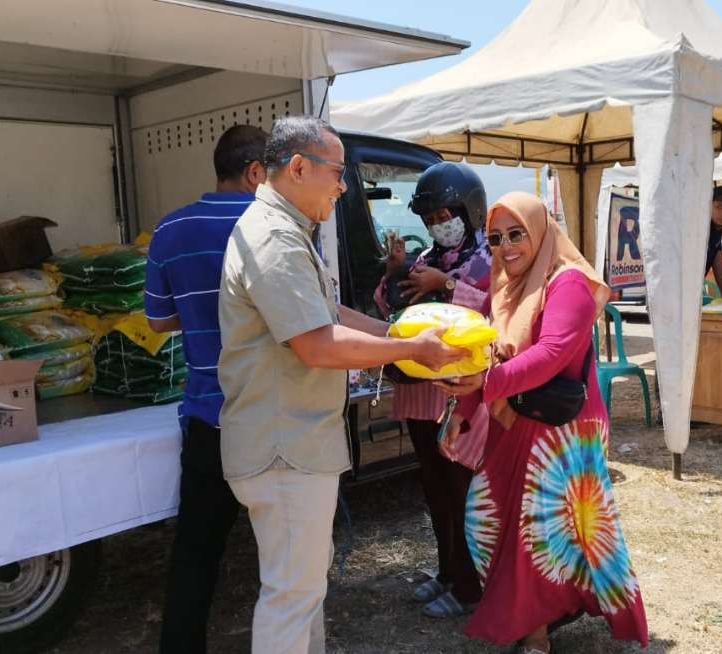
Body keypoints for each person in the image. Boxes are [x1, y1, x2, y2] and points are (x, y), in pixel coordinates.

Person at [217, 116, 467, 654]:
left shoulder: (283, 230)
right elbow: (317, 344)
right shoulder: (274, 237)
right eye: (337, 173)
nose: (344, 186)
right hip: (284, 445)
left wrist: (399, 331)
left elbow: (327, 313)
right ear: (299, 168)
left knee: (303, 590)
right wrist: (411, 350)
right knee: (291, 595)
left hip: (293, 442)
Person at [438, 192, 648, 653]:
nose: (506, 246)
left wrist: (484, 384)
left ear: (541, 231)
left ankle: (536, 634)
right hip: (514, 419)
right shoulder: (505, 284)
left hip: (561, 427)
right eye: (495, 238)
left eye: (517, 234)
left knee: (539, 533)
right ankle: (550, 609)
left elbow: (551, 355)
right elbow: (489, 355)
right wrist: (464, 414)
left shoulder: (567, 281)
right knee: (488, 519)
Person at [145, 125, 267, 654]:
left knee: (196, 551)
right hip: (268, 415)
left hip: (206, 416)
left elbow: (157, 321)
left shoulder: (169, 230)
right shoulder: (272, 226)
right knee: (284, 556)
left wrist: (202, 315)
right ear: (255, 172)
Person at [372, 162, 490, 618]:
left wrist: (447, 285)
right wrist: (395, 269)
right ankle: (446, 572)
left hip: (457, 395)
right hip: (419, 394)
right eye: (432, 220)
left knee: (460, 489)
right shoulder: (426, 261)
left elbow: (492, 310)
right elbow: (388, 304)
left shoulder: (486, 259)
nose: (440, 226)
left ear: (469, 209)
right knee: (434, 488)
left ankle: (469, 585)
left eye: (446, 216)